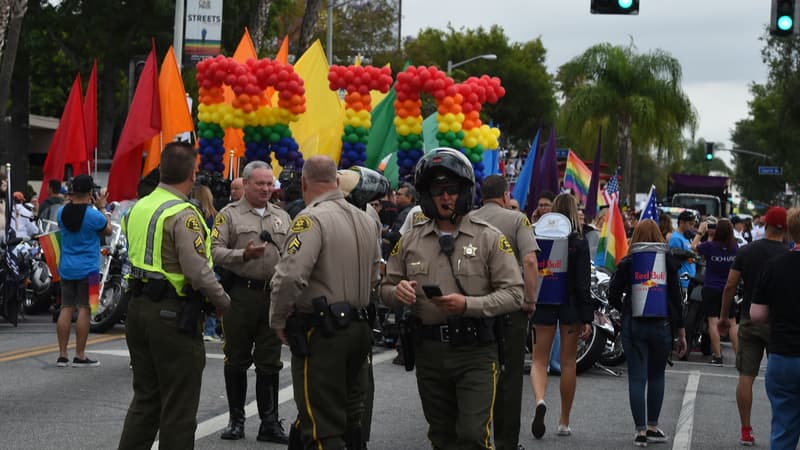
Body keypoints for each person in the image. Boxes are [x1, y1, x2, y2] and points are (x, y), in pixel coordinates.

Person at [382, 148, 523, 449]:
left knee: (473, 435)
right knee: (441, 437)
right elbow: (384, 287)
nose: (445, 197)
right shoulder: (410, 241)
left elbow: (515, 293)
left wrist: (468, 305)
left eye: (452, 190)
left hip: (476, 352)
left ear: (464, 192)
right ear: (426, 195)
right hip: (429, 351)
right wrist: (397, 293)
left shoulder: (489, 237)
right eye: (437, 191)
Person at [118, 142, 231, 450]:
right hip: (172, 316)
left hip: (138, 309)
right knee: (179, 409)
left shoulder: (138, 207)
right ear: (192, 174)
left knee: (146, 400)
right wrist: (222, 302)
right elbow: (197, 271)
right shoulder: (183, 213)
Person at [270, 155, 380, 449]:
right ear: (336, 181)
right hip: (359, 326)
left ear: (304, 182)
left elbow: (290, 275)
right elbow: (374, 277)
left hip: (323, 332)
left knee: (321, 423)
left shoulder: (310, 218)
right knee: (350, 416)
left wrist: (278, 319)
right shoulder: (367, 219)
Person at [210, 160, 290, 443]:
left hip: (272, 295)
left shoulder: (282, 216)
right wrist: (242, 255)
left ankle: (269, 423)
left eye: (270, 184)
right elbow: (214, 251)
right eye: (260, 184)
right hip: (241, 295)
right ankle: (236, 421)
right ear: (245, 185)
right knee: (236, 357)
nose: (267, 189)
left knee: (270, 361)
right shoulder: (228, 215)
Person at [472, 174, 539, 450]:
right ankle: (506, 442)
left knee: (477, 373)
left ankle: (478, 436)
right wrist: (530, 299)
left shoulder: (469, 218)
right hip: (511, 307)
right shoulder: (517, 219)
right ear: (505, 194)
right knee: (510, 376)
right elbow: (530, 261)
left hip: (476, 307)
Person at [608, 219, 687, 447]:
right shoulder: (668, 263)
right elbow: (676, 299)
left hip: (634, 325)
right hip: (661, 326)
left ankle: (640, 431)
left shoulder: (628, 262)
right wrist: (680, 332)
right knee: (656, 376)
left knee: (637, 378)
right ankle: (653, 426)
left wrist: (625, 307)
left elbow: (613, 293)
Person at [719, 206, 789, 446]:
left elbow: (730, 284)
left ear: (766, 224)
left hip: (750, 318)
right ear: (786, 228)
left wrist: (724, 317)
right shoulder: (790, 253)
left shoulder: (747, 251)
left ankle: (746, 430)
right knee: (783, 378)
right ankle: (781, 428)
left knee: (746, 375)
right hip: (780, 324)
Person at [529, 193, 592, 439]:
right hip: (572, 306)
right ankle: (564, 420)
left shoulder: (538, 236)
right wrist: (587, 315)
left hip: (544, 301)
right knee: (568, 363)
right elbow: (583, 282)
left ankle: (540, 400)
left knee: (538, 360)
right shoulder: (579, 241)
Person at [750, 207, 800, 450]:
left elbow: (756, 314)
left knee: (783, 430)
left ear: (791, 231)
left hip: (783, 356)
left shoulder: (775, 265)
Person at [55, 174, 112, 368]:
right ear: (90, 193)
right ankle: (80, 355)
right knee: (86, 309)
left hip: (66, 267)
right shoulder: (94, 215)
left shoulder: (61, 213)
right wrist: (103, 207)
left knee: (66, 307)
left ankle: (62, 354)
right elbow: (109, 230)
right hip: (91, 270)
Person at [692, 217, 738, 366]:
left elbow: (693, 246)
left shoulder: (710, 246)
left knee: (713, 321)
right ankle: (740, 357)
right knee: (731, 322)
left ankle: (717, 356)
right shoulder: (734, 247)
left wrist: (700, 231)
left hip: (711, 288)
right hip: (728, 288)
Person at [191, 184, 223, 344]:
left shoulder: (191, 215)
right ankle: (210, 330)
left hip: (196, 259)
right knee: (212, 294)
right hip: (212, 260)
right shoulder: (215, 217)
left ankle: (200, 326)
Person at [668, 210, 697, 293]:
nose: (692, 227)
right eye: (690, 224)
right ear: (681, 222)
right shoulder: (676, 238)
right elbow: (674, 260)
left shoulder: (687, 236)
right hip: (682, 280)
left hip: (690, 277)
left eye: (693, 224)